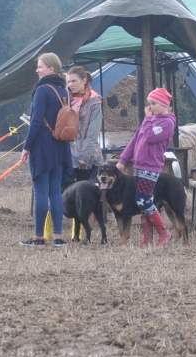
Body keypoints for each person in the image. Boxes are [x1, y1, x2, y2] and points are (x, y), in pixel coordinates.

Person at [20, 53, 72, 247]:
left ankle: (38, 237)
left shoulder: (42, 90)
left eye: (40, 66)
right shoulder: (64, 90)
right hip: (60, 146)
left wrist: (27, 146)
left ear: (50, 68)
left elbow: (35, 121)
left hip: (42, 145)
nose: (37, 70)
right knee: (55, 192)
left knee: (41, 191)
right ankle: (58, 236)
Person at [116, 87, 177, 247]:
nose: (150, 107)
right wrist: (123, 160)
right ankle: (147, 237)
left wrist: (148, 119)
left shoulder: (167, 123)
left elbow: (150, 137)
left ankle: (163, 232)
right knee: (145, 200)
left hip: (150, 168)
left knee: (143, 200)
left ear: (165, 104)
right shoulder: (150, 120)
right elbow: (136, 138)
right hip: (139, 166)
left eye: (154, 103)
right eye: (149, 103)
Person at [65, 66, 104, 183]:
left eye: (74, 81)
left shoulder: (94, 100)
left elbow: (93, 133)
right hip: (68, 156)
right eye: (68, 81)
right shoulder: (65, 98)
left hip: (88, 157)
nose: (70, 84)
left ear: (84, 80)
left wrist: (84, 157)